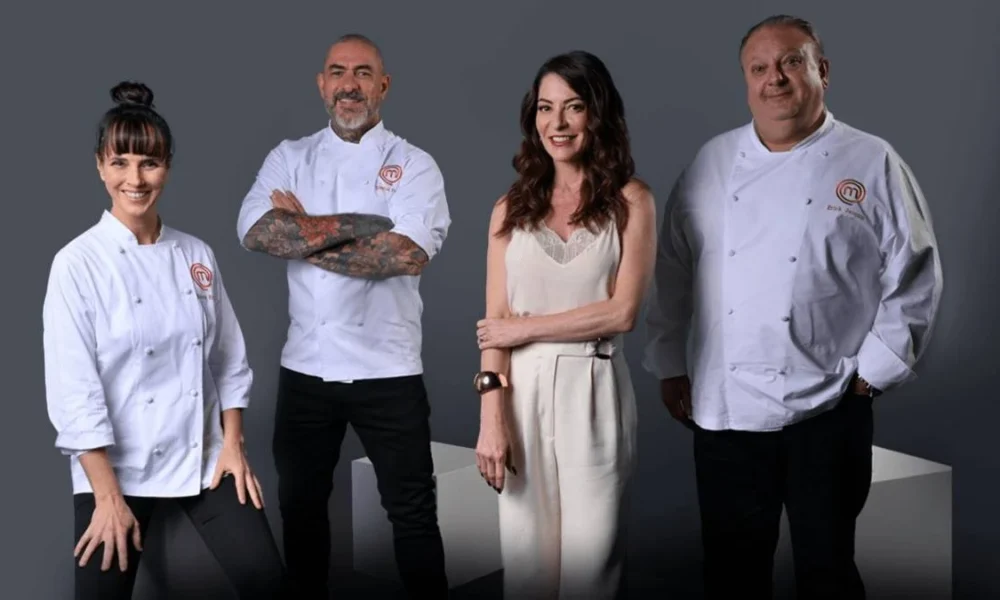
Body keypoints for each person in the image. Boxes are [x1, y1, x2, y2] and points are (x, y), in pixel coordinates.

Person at [643, 14, 944, 600]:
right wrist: (669, 362)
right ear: (746, 81)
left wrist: (872, 375)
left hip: (829, 409)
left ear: (821, 72)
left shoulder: (871, 159)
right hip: (725, 412)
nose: (773, 79)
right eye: (759, 69)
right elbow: (672, 270)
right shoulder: (711, 162)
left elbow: (915, 271)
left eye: (790, 62)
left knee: (828, 570)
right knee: (732, 575)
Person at [41, 81, 285, 600]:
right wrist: (107, 497)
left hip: (202, 455)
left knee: (268, 583)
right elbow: (73, 391)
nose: (135, 178)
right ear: (101, 167)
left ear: (168, 167)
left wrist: (233, 446)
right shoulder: (77, 263)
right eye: (121, 162)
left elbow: (229, 360)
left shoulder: (195, 254)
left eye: (149, 163)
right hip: (115, 469)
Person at [236, 34, 451, 599]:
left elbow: (405, 253)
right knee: (301, 510)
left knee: (412, 514)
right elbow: (256, 231)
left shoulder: (412, 163)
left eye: (362, 73)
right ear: (321, 84)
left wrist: (305, 230)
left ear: (383, 85)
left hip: (389, 370)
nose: (348, 84)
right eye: (337, 72)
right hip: (306, 368)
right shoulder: (290, 156)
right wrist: (370, 224)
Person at [473, 50, 656, 599]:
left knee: (591, 564)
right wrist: (491, 419)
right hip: (518, 394)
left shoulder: (633, 202)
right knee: (526, 563)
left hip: (594, 386)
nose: (557, 123)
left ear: (597, 115)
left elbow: (620, 313)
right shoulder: (509, 208)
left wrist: (522, 330)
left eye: (573, 108)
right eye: (546, 108)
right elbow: (495, 322)